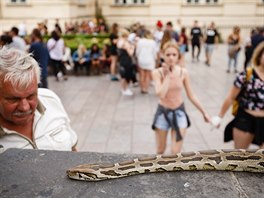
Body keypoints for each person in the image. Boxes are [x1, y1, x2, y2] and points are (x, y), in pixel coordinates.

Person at [0, 47, 78, 151]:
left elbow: (73, 148)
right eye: (13, 99)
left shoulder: (51, 99)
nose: (24, 107)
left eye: (31, 96)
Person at [151, 41, 210, 154]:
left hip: (179, 112)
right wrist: (167, 75)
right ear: (162, 55)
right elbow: (160, 93)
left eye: (174, 55)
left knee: (175, 152)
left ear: (178, 56)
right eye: (168, 55)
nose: (171, 58)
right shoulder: (157, 73)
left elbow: (191, 95)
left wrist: (204, 112)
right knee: (160, 150)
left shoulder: (183, 72)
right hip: (163, 112)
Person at [211, 42, 264, 149]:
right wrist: (219, 117)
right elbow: (231, 97)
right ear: (260, 54)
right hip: (245, 119)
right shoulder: (246, 74)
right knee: (240, 157)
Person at [117, 29, 135, 96]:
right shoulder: (125, 43)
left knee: (123, 75)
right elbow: (130, 53)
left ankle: (123, 89)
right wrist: (133, 47)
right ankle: (125, 89)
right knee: (127, 75)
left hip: (121, 60)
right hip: (127, 60)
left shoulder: (119, 42)